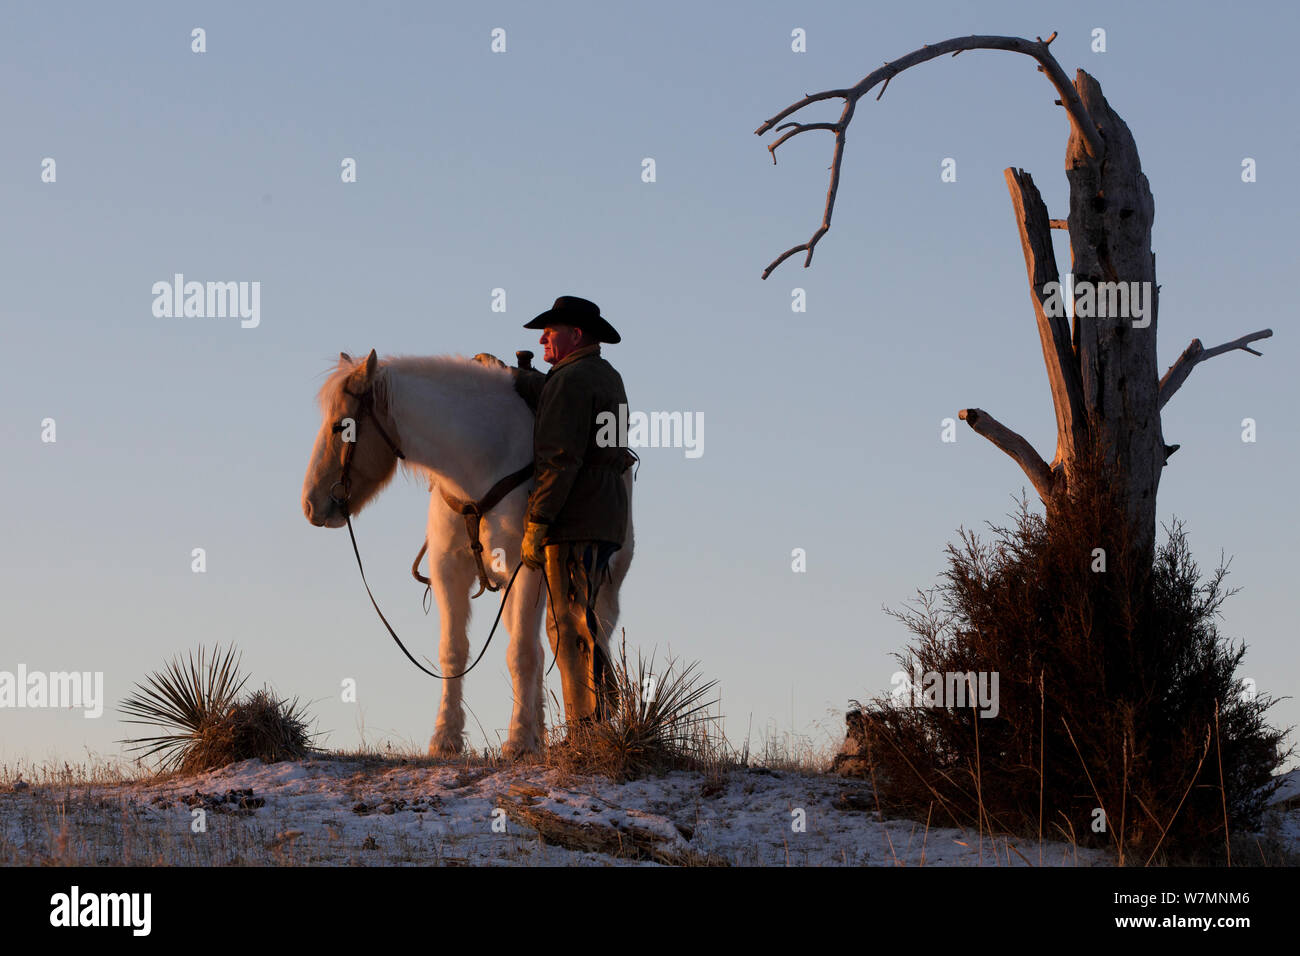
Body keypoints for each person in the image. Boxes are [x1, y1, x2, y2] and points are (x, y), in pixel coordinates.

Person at [513, 295, 633, 724]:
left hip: (575, 517)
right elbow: (560, 396)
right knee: (583, 618)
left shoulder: (571, 382)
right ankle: (606, 719)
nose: (542, 336)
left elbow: (559, 459)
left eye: (551, 330)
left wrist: (539, 521)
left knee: (568, 622)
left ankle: (587, 732)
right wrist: (520, 379)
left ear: (575, 335)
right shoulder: (603, 375)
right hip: (605, 515)